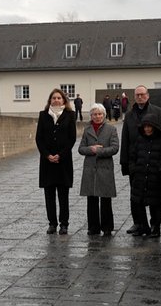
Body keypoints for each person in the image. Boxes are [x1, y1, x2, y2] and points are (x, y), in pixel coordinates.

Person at [120, 85, 161, 234]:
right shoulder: (129, 114)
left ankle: (154, 224)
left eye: (142, 94)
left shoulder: (157, 111)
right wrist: (125, 163)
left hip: (153, 159)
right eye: (137, 95)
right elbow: (125, 138)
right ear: (134, 97)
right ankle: (139, 223)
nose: (140, 97)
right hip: (136, 160)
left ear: (148, 95)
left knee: (154, 195)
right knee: (135, 194)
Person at [36, 88, 77, 235]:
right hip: (47, 162)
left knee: (63, 195)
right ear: (50, 100)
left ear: (64, 100)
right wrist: (47, 155)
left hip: (63, 161)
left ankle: (64, 224)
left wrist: (60, 155)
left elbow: (72, 138)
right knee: (49, 196)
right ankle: (52, 223)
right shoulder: (43, 115)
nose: (56, 100)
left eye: (59, 98)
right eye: (54, 98)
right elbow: (39, 138)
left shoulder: (70, 115)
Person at [78, 103, 119, 236]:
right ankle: (93, 227)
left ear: (104, 115)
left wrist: (99, 151)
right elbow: (81, 149)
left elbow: (115, 148)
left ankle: (107, 227)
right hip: (90, 168)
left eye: (100, 114)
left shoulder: (111, 129)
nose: (97, 116)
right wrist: (91, 149)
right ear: (91, 116)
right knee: (91, 200)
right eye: (95, 114)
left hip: (105, 168)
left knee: (106, 199)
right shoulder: (87, 130)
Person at [128, 113, 161, 238]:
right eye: (145, 127)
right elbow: (133, 156)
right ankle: (143, 226)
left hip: (155, 177)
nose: (147, 129)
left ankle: (155, 226)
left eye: (150, 127)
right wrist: (133, 169)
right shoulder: (139, 139)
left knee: (156, 204)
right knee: (138, 202)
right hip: (140, 176)